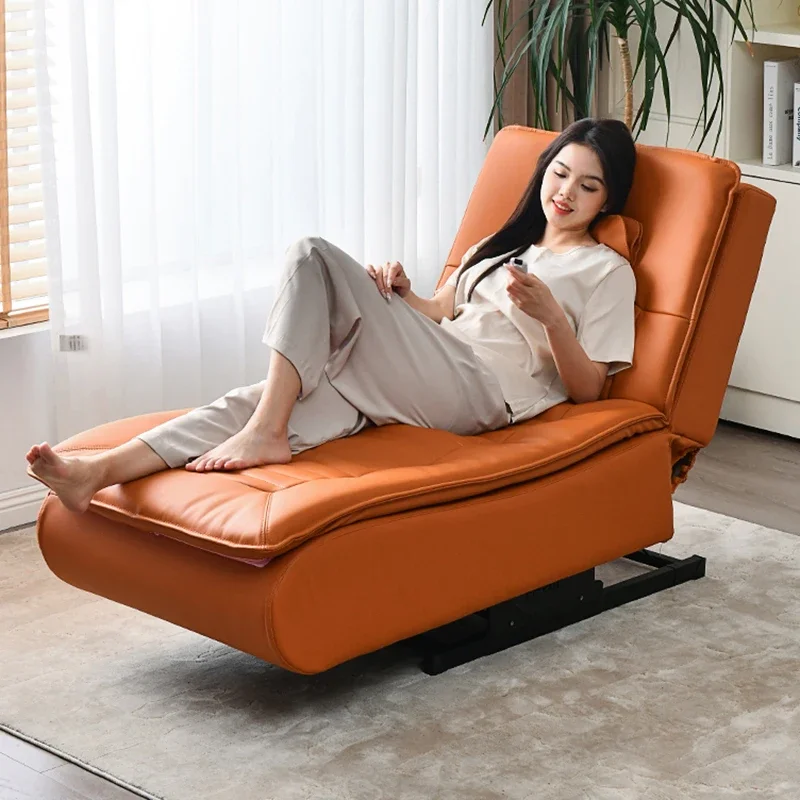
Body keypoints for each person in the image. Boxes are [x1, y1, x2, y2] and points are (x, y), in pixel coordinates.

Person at [25, 116, 637, 515]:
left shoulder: (607, 271)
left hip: (483, 394)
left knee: (311, 254)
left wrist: (552, 318)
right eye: (560, 173)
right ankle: (96, 472)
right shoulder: (497, 246)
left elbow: (591, 388)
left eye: (588, 186)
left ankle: (267, 430)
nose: (565, 192)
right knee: (250, 402)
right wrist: (402, 294)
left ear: (608, 198)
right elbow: (439, 314)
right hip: (428, 370)